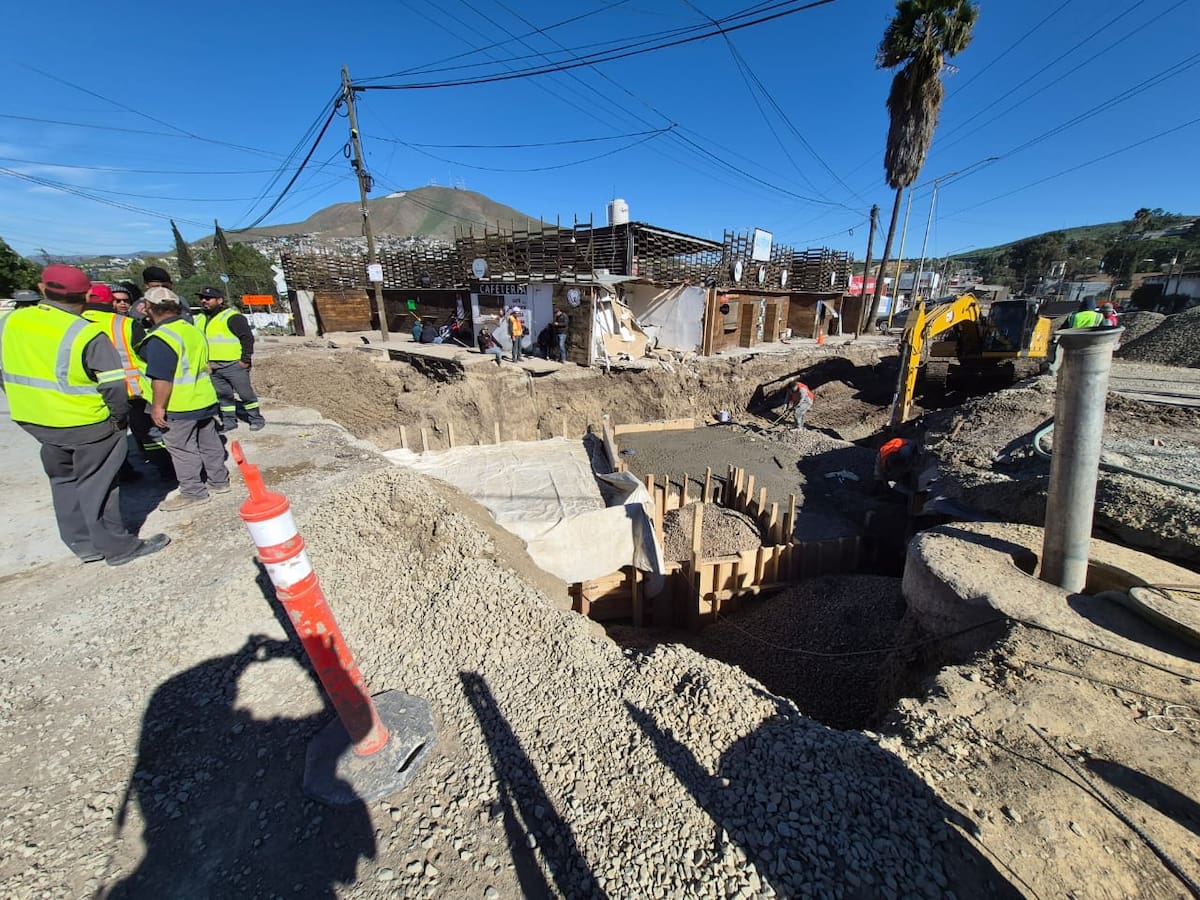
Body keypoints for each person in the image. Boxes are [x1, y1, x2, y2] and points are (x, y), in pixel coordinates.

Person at [0, 265, 169, 565]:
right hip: (84, 422)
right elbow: (114, 385)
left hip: (34, 419)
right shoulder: (86, 333)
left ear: (42, 288)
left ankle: (83, 544)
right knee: (99, 483)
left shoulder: (10, 322)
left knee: (63, 480)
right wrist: (118, 418)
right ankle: (118, 548)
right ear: (87, 294)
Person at [140, 287, 231, 511]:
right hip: (204, 399)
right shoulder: (192, 329)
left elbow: (162, 378)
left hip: (179, 404)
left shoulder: (161, 338)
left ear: (149, 308)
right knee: (210, 442)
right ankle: (220, 481)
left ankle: (194, 492)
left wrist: (158, 407)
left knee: (182, 449)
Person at [81, 284, 175, 482]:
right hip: (132, 390)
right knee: (149, 433)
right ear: (111, 302)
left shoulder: (74, 325)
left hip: (92, 393)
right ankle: (167, 470)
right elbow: (149, 354)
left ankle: (122, 472)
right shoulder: (125, 324)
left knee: (109, 436)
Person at [196, 287, 265, 432]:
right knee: (224, 397)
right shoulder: (200, 319)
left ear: (219, 300)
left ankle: (256, 419)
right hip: (213, 366)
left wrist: (245, 360)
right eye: (201, 298)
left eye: (207, 298)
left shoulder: (232, 317)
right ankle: (229, 422)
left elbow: (247, 338)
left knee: (245, 394)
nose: (203, 301)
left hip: (234, 364)